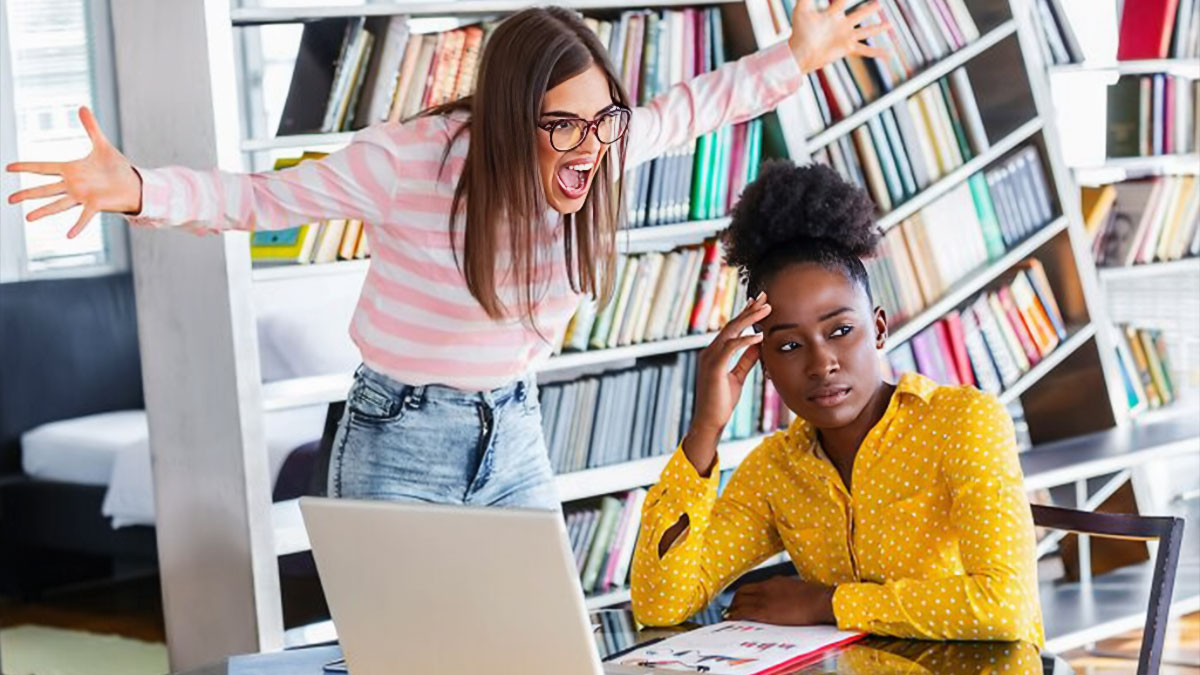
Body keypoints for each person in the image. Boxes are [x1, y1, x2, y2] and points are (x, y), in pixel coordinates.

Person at [5, 3, 886, 511]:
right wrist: (136, 189)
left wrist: (797, 55)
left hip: (514, 430)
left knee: (531, 640)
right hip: (398, 436)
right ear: (508, 119)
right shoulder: (412, 161)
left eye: (604, 120)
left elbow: (695, 105)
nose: (590, 148)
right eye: (563, 125)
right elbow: (258, 200)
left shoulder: (604, 147)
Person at [630, 161, 1044, 645]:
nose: (820, 362)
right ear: (761, 361)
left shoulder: (964, 423)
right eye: (788, 345)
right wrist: (706, 429)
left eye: (841, 331)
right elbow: (660, 604)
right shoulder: (776, 471)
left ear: (880, 328)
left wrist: (826, 603)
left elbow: (1005, 606)